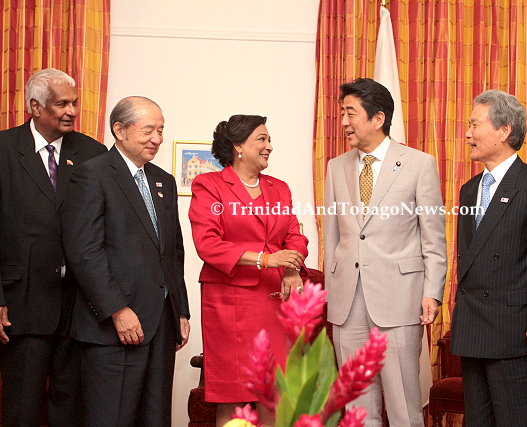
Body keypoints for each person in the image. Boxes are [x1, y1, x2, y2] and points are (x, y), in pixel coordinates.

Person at [323, 78, 447, 427]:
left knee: (403, 404)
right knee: (358, 408)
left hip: (400, 298)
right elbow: (332, 237)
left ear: (378, 118)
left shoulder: (419, 163)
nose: (344, 122)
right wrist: (332, 294)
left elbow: (433, 238)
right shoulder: (335, 167)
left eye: (351, 113)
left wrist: (432, 292)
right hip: (347, 304)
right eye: (342, 113)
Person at [61, 96, 190, 427]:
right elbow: (84, 251)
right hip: (113, 327)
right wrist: (117, 310)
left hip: (161, 325)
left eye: (161, 130)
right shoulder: (92, 174)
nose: (157, 139)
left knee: (155, 418)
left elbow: (173, 252)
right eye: (148, 130)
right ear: (119, 130)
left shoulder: (163, 181)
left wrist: (180, 310)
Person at [0, 68, 106, 426]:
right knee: (22, 410)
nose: (72, 111)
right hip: (22, 304)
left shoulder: (93, 153)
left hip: (80, 309)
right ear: (35, 106)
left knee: (72, 411)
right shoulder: (3, 149)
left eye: (74, 103)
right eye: (62, 104)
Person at [188, 114, 308, 425]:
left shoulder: (279, 188)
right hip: (229, 304)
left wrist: (291, 269)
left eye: (269, 139)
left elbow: (294, 235)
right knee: (233, 395)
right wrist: (266, 260)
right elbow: (207, 244)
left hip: (274, 302)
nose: (269, 146)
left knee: (273, 393)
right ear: (238, 146)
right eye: (262, 139)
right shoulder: (209, 185)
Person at [451, 90, 527, 426]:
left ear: (504, 130)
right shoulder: (469, 189)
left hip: (515, 332)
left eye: (474, 125)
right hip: (472, 329)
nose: (467, 134)